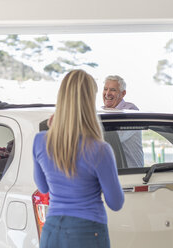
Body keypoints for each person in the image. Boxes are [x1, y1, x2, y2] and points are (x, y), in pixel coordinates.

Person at [33, 69, 124, 248]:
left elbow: (43, 187)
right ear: (89, 102)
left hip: (52, 232)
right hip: (88, 232)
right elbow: (116, 202)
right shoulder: (100, 149)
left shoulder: (40, 141)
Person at [102, 75, 144, 167]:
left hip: (133, 174)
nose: (107, 93)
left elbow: (112, 139)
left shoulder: (131, 111)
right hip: (114, 172)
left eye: (113, 90)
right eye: (105, 89)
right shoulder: (102, 111)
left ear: (123, 93)